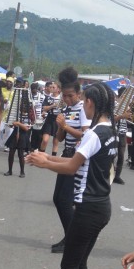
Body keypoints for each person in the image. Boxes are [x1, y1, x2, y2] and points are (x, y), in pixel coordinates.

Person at [27, 82, 116, 269]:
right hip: (100, 206)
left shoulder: (93, 133)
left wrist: (45, 163)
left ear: (91, 103)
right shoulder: (109, 130)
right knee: (79, 264)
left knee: (69, 265)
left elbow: (72, 168)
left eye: (85, 101)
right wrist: (45, 159)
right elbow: (76, 162)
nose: (83, 106)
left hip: (88, 208)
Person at [48, 68, 90, 254]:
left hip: (77, 157)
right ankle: (70, 237)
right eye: (64, 96)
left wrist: (65, 125)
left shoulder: (82, 109)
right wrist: (60, 127)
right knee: (58, 198)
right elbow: (61, 137)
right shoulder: (67, 109)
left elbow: (86, 135)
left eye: (70, 96)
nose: (67, 99)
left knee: (65, 200)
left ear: (79, 94)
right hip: (67, 153)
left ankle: (72, 240)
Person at [2, 85, 33, 178]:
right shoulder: (16, 114)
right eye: (21, 106)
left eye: (24, 106)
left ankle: (22, 171)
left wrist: (19, 124)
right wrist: (12, 124)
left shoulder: (28, 116)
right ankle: (10, 170)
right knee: (11, 153)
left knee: (20, 154)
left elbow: (27, 128)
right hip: (15, 133)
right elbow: (12, 123)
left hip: (23, 136)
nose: (22, 108)